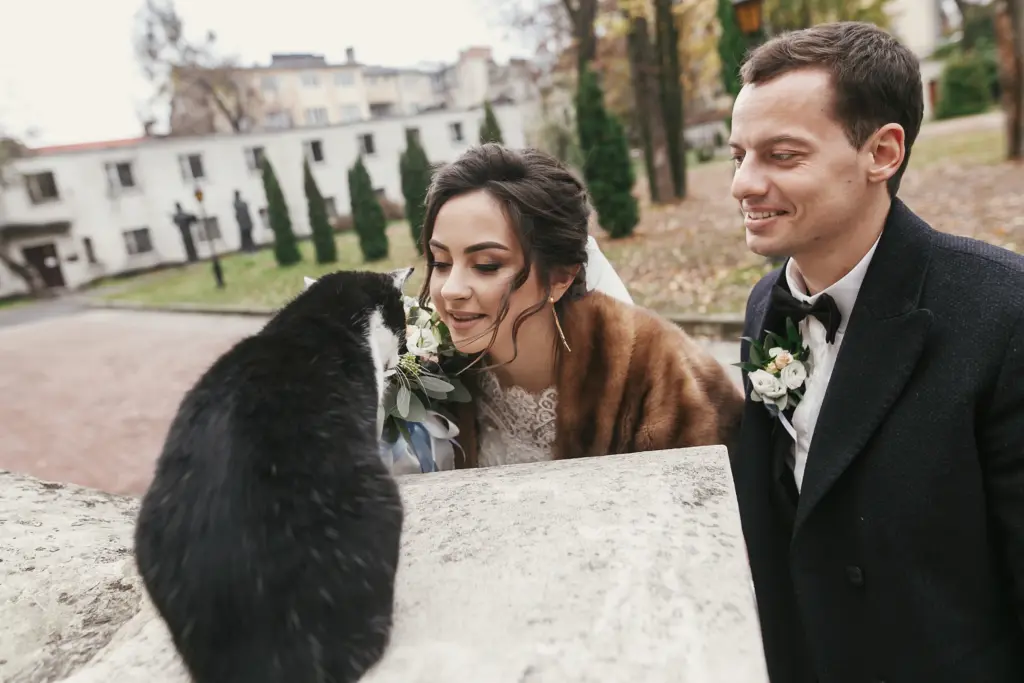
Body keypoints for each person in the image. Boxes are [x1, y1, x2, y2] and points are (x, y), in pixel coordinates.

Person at [729, 21, 1024, 682]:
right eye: (737, 154)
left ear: (882, 152)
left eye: (781, 155)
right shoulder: (765, 306)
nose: (743, 184)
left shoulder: (1005, 315)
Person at [412, 143, 742, 468]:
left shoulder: (655, 376)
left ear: (561, 277)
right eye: (441, 262)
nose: (451, 290)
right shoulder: (432, 371)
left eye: (486, 265)